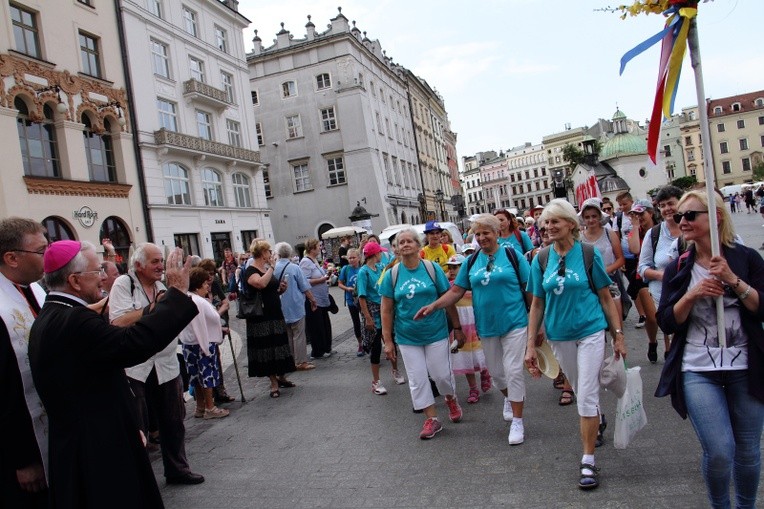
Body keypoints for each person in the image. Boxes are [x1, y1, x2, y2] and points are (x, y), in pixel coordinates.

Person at [29, 242, 199, 507]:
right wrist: (177, 293)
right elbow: (134, 343)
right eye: (97, 272)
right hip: (99, 445)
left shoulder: (52, 314)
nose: (104, 277)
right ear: (74, 280)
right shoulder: (75, 321)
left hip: (85, 439)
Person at [656, 189, 764, 509]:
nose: (683, 222)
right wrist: (691, 296)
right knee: (719, 450)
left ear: (715, 217)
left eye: (691, 215)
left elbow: (761, 309)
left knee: (747, 450)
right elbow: (666, 320)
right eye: (679, 217)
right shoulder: (679, 267)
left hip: (746, 366)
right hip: (698, 368)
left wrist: (734, 280)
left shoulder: (746, 258)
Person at [525, 199, 625, 490]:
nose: (549, 226)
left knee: (587, 395)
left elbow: (606, 297)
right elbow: (536, 305)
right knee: (582, 389)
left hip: (591, 330)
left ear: (571, 224)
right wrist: (531, 344)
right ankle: (598, 418)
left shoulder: (588, 254)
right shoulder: (540, 259)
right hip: (559, 335)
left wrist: (618, 334)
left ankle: (588, 461)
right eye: (546, 222)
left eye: (556, 221)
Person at [416, 214, 531, 444]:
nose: (481, 238)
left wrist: (536, 324)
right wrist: (434, 306)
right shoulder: (471, 260)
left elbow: (529, 289)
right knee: (498, 375)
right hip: (487, 326)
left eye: (486, 233)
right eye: (478, 234)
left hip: (515, 322)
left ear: (497, 233)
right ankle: (509, 397)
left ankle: (518, 421)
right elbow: (457, 291)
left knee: (514, 370)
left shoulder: (512, 256)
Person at [110, 243, 204, 486]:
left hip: (166, 364)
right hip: (136, 367)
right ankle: (139, 479)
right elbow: (118, 321)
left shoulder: (163, 287)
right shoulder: (124, 284)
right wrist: (156, 308)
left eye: (162, 260)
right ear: (138, 265)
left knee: (174, 421)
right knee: (137, 426)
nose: (161, 266)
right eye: (155, 261)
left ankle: (178, 469)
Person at [380, 228, 464, 439]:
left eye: (410, 241)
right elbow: (386, 310)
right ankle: (432, 419)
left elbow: (448, 299)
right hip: (407, 337)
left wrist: (457, 327)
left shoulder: (431, 269)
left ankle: (450, 397)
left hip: (435, 333)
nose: (406, 244)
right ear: (397, 249)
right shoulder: (392, 274)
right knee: (417, 379)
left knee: (441, 375)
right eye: (402, 242)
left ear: (418, 246)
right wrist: (388, 341)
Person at [0, 218, 48, 508]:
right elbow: (5, 390)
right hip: (22, 450)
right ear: (12, 258)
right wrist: (25, 458)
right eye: (41, 251)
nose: (48, 256)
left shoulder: (34, 289)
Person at [243, 240, 297, 398]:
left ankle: (281, 377)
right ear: (262, 253)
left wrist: (280, 290)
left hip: (274, 313)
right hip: (261, 318)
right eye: (268, 251)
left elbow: (269, 289)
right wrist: (272, 267)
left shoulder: (265, 268)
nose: (271, 254)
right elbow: (260, 284)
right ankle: (273, 382)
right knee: (267, 349)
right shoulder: (251, 270)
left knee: (279, 345)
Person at [638, 185, 683, 361]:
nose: (667, 209)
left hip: (688, 292)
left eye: (671, 203)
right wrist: (663, 275)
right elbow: (643, 268)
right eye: (662, 205)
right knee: (675, 339)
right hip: (662, 296)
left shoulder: (691, 227)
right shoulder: (654, 234)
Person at [180, 267, 230, 420]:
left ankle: (200, 406)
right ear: (198, 285)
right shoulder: (200, 301)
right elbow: (214, 317)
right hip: (203, 343)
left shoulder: (184, 298)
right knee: (207, 375)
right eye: (205, 284)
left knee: (195, 376)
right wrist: (220, 325)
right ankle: (210, 407)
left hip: (188, 343)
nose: (208, 286)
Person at [441, 254, 491, 404]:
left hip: (475, 323)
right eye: (450, 267)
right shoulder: (450, 286)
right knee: (465, 358)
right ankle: (473, 388)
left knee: (479, 353)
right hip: (460, 326)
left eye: (456, 267)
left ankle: (484, 371)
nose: (452, 270)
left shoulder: (474, 283)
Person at [358, 242, 405, 395]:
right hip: (372, 311)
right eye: (380, 253)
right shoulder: (363, 272)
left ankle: (395, 370)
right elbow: (362, 297)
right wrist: (367, 318)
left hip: (384, 309)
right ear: (374, 254)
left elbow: (388, 271)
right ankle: (376, 381)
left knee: (390, 341)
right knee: (376, 347)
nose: (382, 255)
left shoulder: (379, 268)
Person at [579, 198, 626, 330]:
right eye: (587, 217)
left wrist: (605, 270)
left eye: (594, 216)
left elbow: (620, 259)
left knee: (616, 323)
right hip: (589, 284)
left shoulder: (609, 233)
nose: (591, 220)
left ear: (599, 216)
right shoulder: (580, 238)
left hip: (610, 280)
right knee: (595, 325)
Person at [274, 242, 317, 371]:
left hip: (281, 306)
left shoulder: (273, 268)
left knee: (288, 335)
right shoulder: (294, 268)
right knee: (299, 334)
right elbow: (304, 287)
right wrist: (313, 300)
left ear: (278, 253)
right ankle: (301, 361)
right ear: (290, 253)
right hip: (296, 305)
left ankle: (291, 360)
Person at [627, 199, 661, 362]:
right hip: (644, 275)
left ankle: (669, 347)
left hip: (662, 273)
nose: (639, 217)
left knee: (666, 313)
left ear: (651, 213)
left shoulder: (662, 229)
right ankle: (653, 341)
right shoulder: (635, 232)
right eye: (635, 214)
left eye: (641, 214)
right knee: (653, 317)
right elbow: (635, 249)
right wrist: (634, 226)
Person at [300, 238, 334, 359]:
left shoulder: (314, 260)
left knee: (324, 323)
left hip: (322, 298)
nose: (320, 248)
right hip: (313, 299)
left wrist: (327, 274)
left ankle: (326, 347)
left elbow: (319, 274)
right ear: (312, 248)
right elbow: (305, 281)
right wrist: (322, 279)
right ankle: (318, 350)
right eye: (318, 246)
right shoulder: (305, 262)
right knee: (316, 326)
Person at [615, 191, 645, 326]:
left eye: (624, 204)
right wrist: (619, 258)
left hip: (639, 254)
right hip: (626, 256)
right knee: (633, 286)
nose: (622, 207)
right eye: (620, 205)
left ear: (631, 202)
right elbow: (616, 237)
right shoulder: (619, 218)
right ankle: (642, 314)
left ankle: (647, 311)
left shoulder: (637, 215)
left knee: (639, 285)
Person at [338, 248, 364, 356]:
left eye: (354, 257)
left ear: (358, 258)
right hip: (351, 300)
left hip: (363, 300)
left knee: (367, 321)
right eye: (350, 258)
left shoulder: (363, 268)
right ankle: (360, 344)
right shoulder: (346, 269)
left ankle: (369, 342)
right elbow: (340, 283)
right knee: (356, 323)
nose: (352, 260)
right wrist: (347, 288)